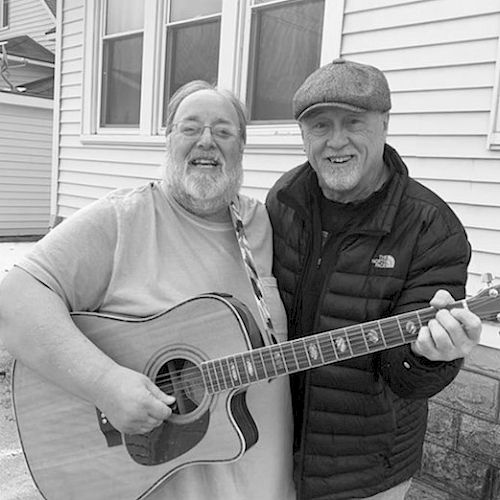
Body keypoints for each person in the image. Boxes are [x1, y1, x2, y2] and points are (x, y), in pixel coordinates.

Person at [0, 81, 295, 500]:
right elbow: (15, 298)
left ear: (242, 147)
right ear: (168, 140)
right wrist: (106, 384)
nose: (206, 141)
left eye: (223, 131)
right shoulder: (122, 220)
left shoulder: (263, 225)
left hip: (266, 485)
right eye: (190, 128)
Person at [265, 59, 482, 500]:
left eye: (354, 122)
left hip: (365, 473)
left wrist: (430, 357)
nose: (336, 141)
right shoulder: (283, 200)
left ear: (384, 123)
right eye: (320, 125)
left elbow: (407, 380)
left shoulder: (430, 227)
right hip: (271, 451)